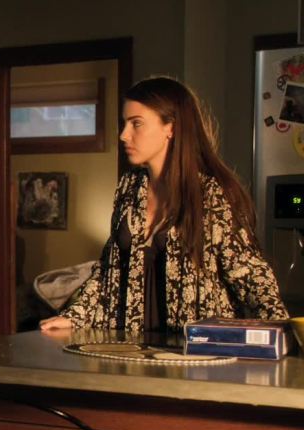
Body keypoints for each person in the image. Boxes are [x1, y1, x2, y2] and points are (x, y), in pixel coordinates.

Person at [40, 76, 288, 343]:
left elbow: (249, 274)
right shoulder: (129, 187)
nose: (124, 135)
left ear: (171, 127)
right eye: (124, 123)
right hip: (130, 348)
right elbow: (108, 270)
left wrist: (284, 334)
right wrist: (75, 316)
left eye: (136, 123)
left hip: (194, 351)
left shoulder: (211, 195)